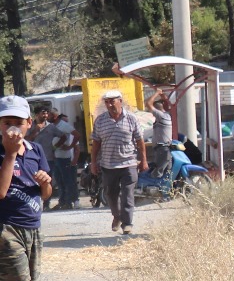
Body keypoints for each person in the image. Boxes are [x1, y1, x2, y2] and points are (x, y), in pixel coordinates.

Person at [0, 96, 54, 281]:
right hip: (5, 229)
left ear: (29, 124)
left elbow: (45, 195)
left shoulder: (36, 151)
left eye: (18, 123)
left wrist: (45, 185)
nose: (13, 128)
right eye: (6, 122)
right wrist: (9, 154)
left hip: (32, 227)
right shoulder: (2, 152)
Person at [90, 88, 146, 236]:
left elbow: (140, 142)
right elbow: (96, 144)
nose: (109, 105)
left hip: (129, 163)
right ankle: (116, 216)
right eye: (107, 102)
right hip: (108, 165)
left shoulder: (131, 119)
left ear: (120, 101)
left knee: (127, 193)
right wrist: (93, 163)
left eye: (112, 102)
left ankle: (127, 224)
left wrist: (144, 160)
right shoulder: (100, 121)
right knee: (111, 194)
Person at [46, 108, 79, 210]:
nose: (47, 117)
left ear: (54, 116)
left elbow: (77, 135)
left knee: (67, 181)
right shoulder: (52, 126)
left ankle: (68, 203)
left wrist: (70, 146)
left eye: (49, 115)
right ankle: (62, 202)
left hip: (64, 158)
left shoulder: (63, 125)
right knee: (59, 181)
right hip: (55, 157)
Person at [146, 92, 172, 179]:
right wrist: (164, 98)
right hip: (163, 148)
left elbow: (148, 103)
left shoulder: (160, 116)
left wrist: (156, 92)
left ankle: (154, 189)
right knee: (166, 173)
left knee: (157, 173)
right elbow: (169, 105)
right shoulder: (167, 115)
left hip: (162, 149)